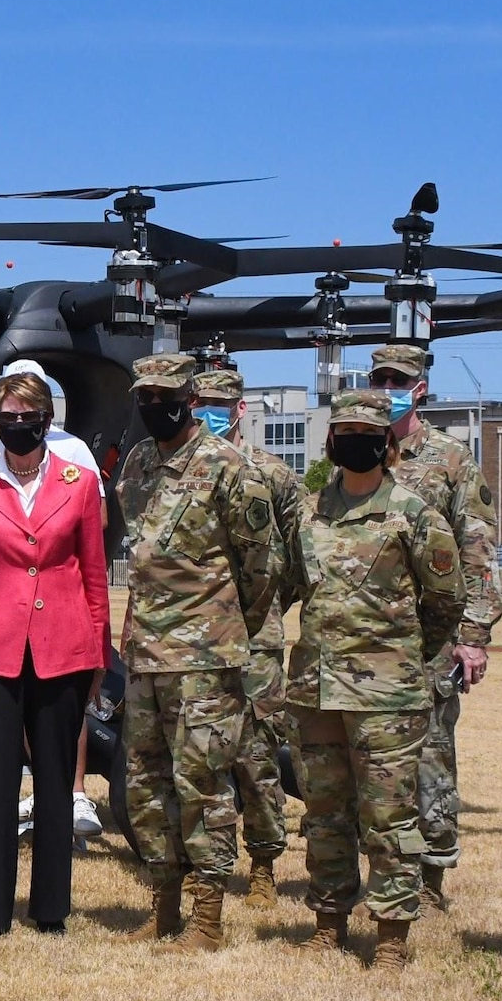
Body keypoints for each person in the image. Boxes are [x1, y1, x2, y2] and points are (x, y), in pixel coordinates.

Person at [288, 390, 465, 971]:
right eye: (345, 432)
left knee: (390, 815)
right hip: (316, 690)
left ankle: (392, 933)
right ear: (332, 442)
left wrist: (406, 658)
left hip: (388, 695)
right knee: (324, 812)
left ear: (386, 443)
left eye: (369, 432)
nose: (356, 442)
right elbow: (288, 584)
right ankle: (329, 921)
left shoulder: (415, 514)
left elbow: (445, 602)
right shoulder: (309, 513)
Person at [115, 353, 279, 951]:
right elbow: (140, 556)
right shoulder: (136, 465)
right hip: (145, 656)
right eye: (145, 398)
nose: (154, 407)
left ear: (189, 396)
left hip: (207, 658)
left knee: (202, 782)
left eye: (165, 396)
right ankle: (163, 904)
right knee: (145, 782)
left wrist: (230, 631)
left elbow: (261, 567)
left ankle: (207, 915)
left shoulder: (227, 466)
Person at [0, 370, 110, 937]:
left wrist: (97, 659)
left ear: (47, 419)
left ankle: (50, 910)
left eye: (29, 416)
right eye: (8, 416)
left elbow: (94, 574)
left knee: (57, 781)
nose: (19, 424)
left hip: (63, 647)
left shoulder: (79, 481)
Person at [382, 345, 502, 912]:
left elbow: (478, 551)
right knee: (377, 762)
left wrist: (473, 636)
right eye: (379, 377)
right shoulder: (359, 453)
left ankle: (431, 878)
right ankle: (385, 871)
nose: (387, 388)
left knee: (430, 756)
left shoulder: (450, 458)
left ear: (420, 388)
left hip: (431, 640)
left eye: (397, 380)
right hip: (372, 637)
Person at [190, 367, 306, 910]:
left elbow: (299, 558)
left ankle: (263, 863)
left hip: (256, 636)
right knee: (199, 755)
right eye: (201, 403)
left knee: (257, 755)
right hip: (195, 637)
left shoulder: (275, 475)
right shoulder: (182, 468)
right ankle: (206, 861)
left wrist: (268, 610)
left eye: (220, 403)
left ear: (240, 409)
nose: (208, 412)